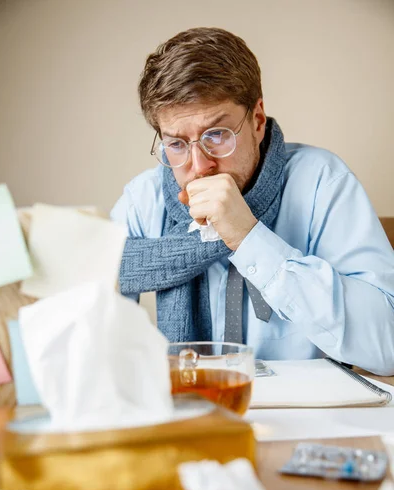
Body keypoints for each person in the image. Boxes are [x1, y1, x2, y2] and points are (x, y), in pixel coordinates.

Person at [111, 27, 394, 376]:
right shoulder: (142, 201)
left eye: (216, 135)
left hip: (306, 424)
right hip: (186, 418)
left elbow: (388, 346)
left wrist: (249, 238)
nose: (199, 167)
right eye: (177, 144)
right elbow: (90, 334)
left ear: (257, 120)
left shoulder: (323, 183)